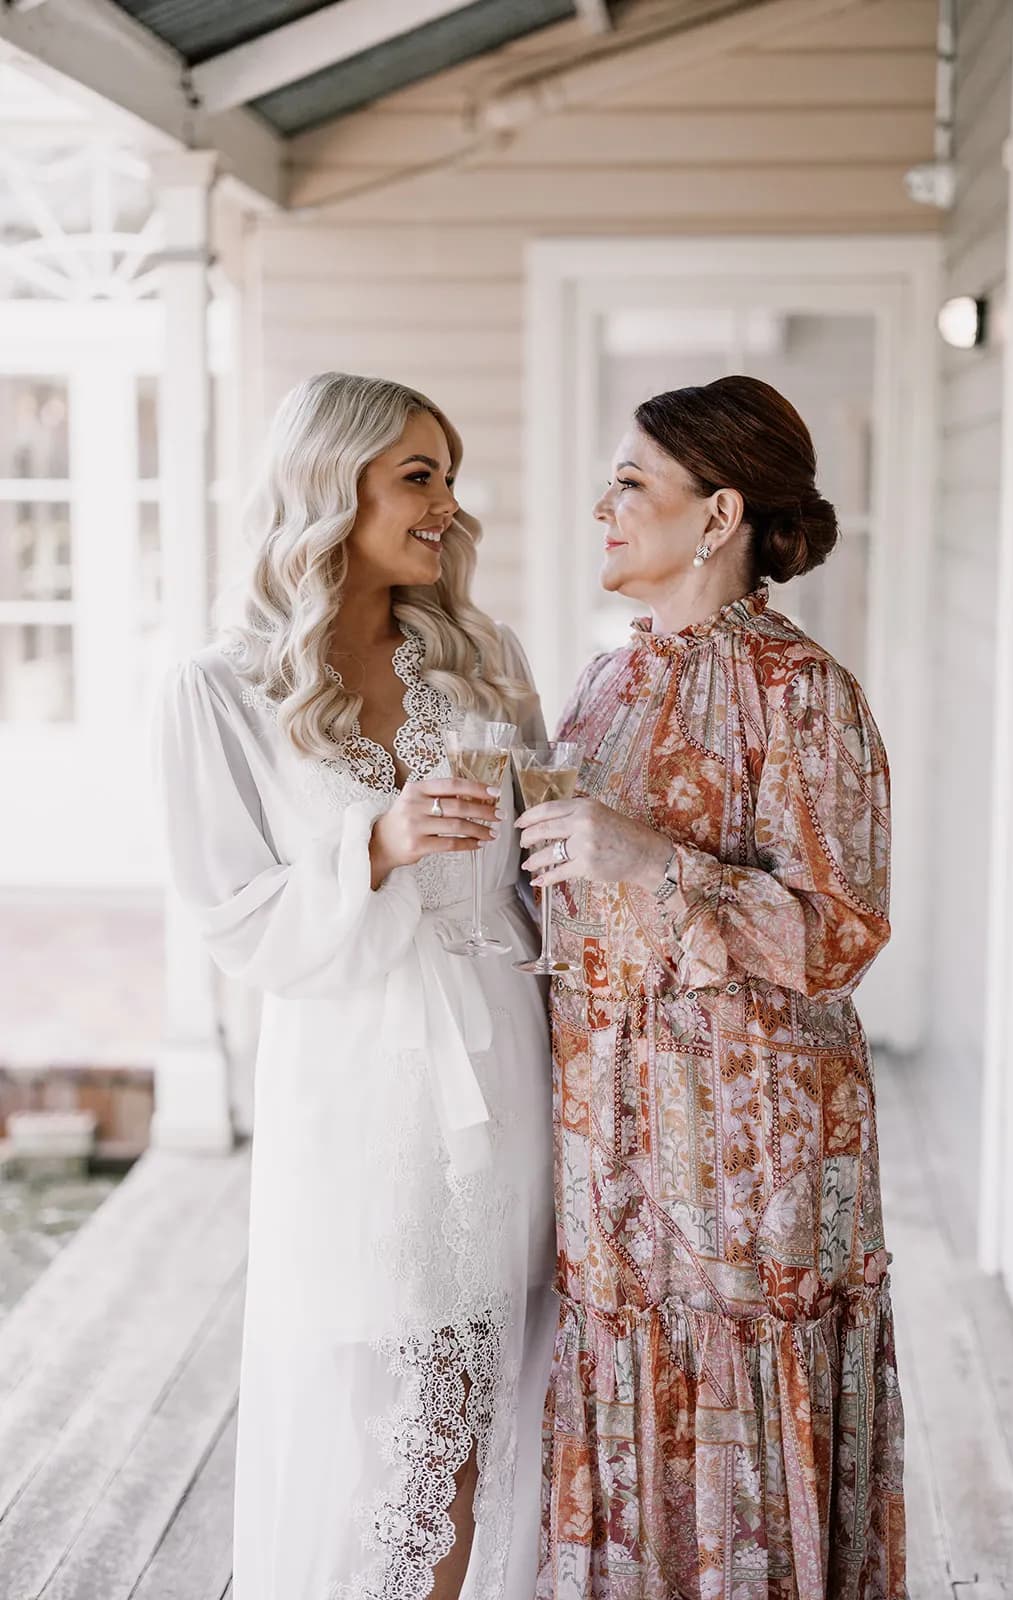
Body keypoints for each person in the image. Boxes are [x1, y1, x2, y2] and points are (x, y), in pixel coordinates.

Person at [155, 372, 556, 1600]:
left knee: (488, 1388)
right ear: (333, 490)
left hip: (502, 1053)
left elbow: (543, 864)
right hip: (362, 1087)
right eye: (417, 476)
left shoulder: (484, 658)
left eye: (449, 475)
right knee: (391, 1405)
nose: (446, 506)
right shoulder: (219, 690)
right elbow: (235, 920)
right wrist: (371, 848)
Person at [519, 376, 906, 1599]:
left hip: (749, 1163)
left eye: (630, 482)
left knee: (743, 1433)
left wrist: (651, 861)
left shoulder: (806, 696)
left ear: (718, 511)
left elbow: (837, 937)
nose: (603, 505)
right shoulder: (598, 686)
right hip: (608, 1153)